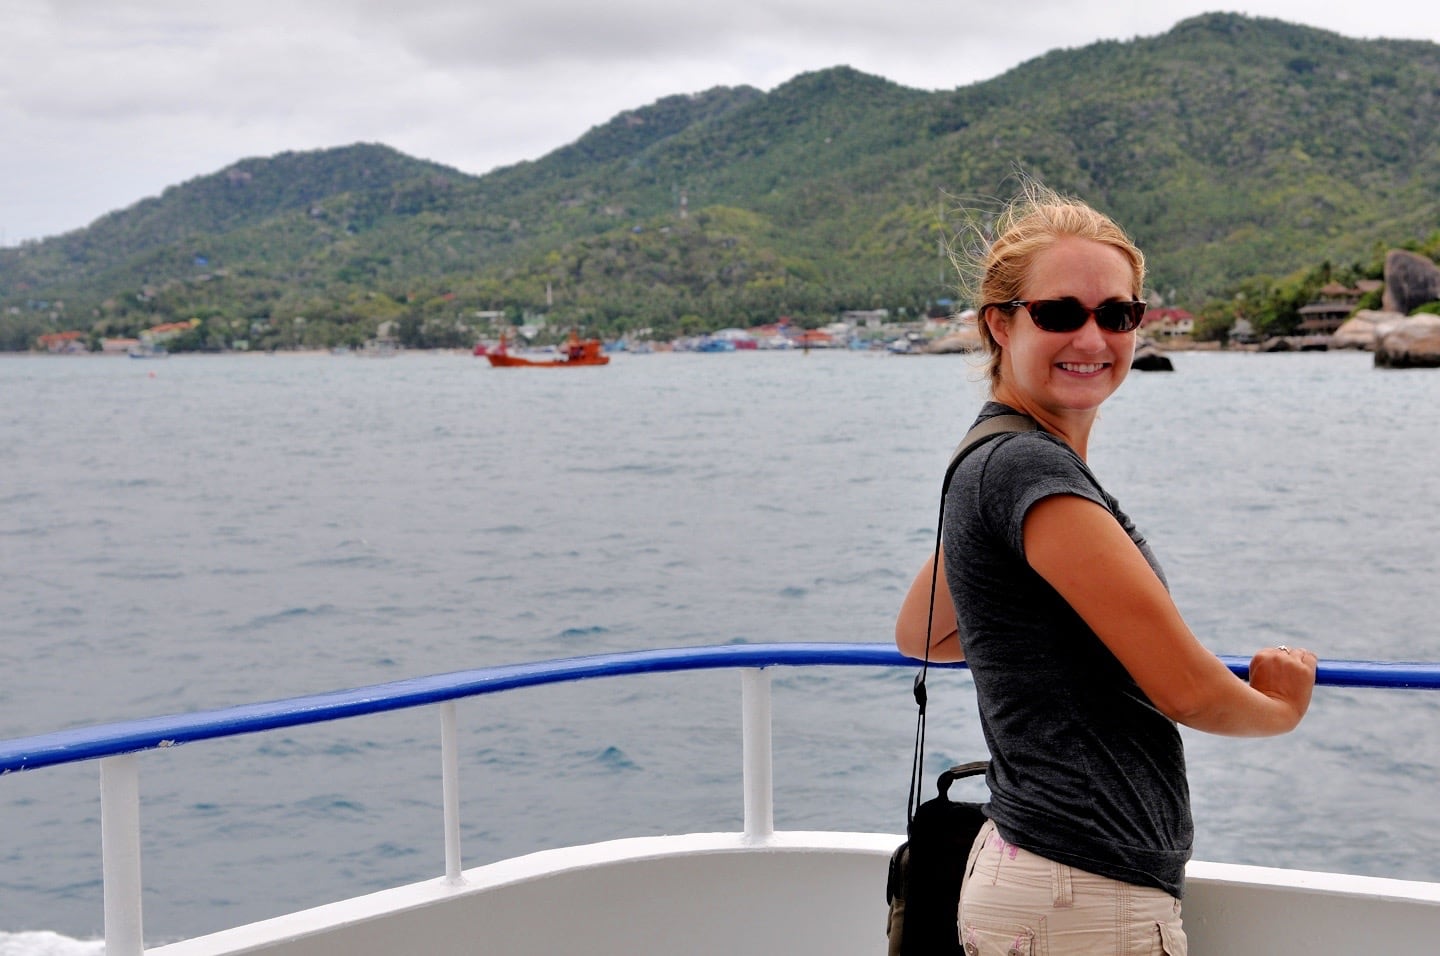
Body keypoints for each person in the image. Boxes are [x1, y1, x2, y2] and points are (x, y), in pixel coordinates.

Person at [894, 182, 1317, 955]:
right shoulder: (1028, 471)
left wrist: (1042, 645)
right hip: (1081, 896)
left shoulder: (988, 455)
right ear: (1000, 322)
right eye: (1060, 313)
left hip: (1034, 871)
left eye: (1117, 314)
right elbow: (1188, 690)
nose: (1092, 338)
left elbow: (931, 634)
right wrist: (1282, 707)